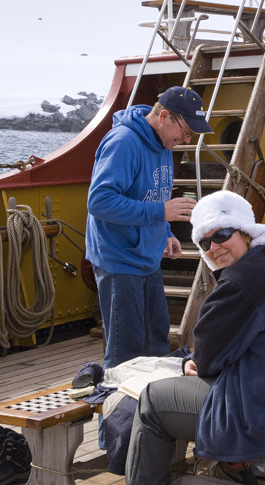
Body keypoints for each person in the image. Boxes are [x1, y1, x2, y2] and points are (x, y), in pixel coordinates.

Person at [124, 191, 265, 485]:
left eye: (222, 234)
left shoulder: (238, 283)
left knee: (151, 402)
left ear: (246, 233)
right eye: (204, 242)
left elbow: (207, 361)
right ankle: (229, 467)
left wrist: (195, 361)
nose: (214, 247)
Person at [85, 86, 213, 371]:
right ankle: (116, 416)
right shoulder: (123, 142)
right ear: (165, 116)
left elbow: (152, 193)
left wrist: (165, 231)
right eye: (186, 132)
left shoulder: (163, 143)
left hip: (148, 256)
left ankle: (150, 413)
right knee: (125, 352)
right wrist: (160, 213)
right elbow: (99, 201)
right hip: (119, 259)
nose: (187, 139)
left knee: (156, 341)